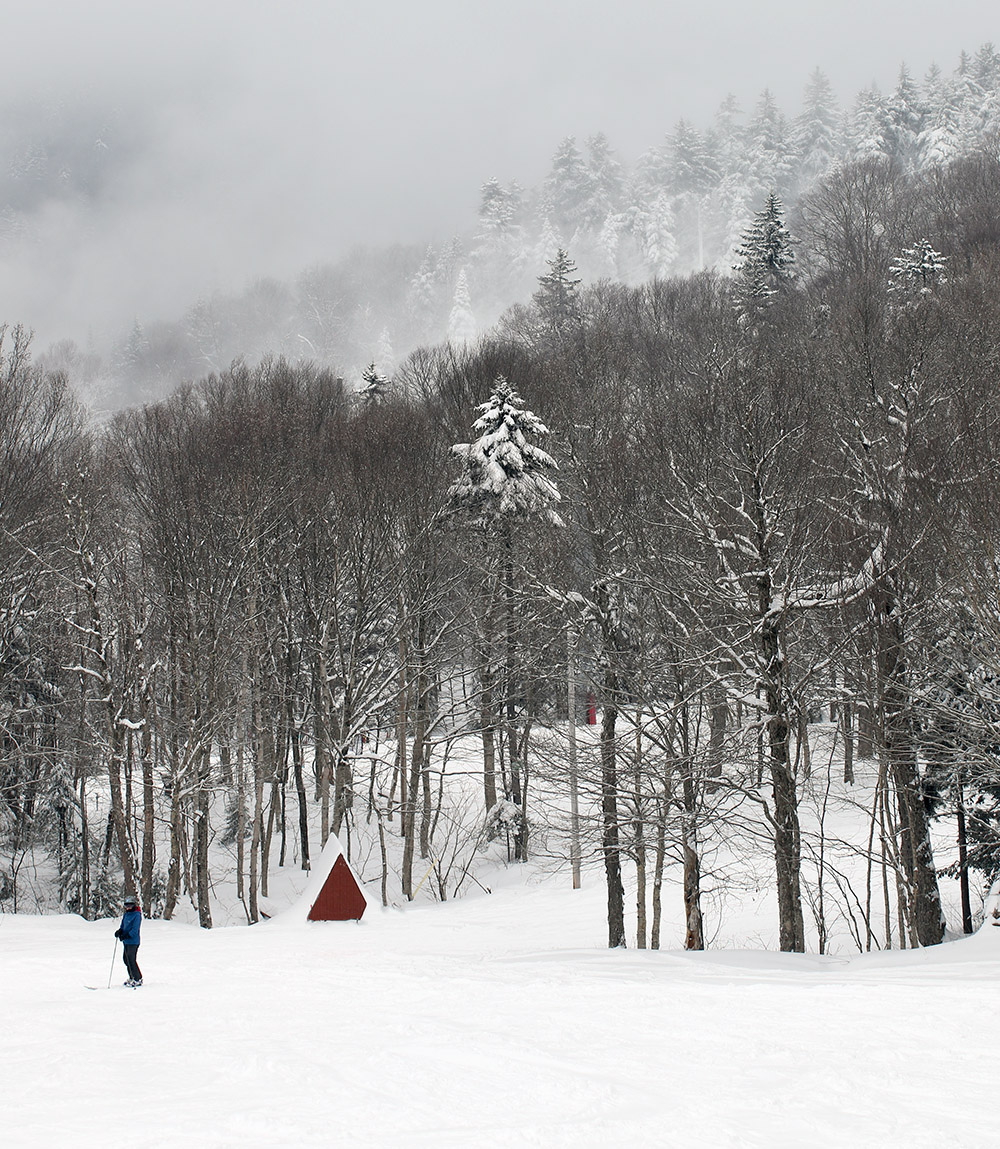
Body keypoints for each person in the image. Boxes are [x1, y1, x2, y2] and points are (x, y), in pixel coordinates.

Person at [115, 894, 143, 987]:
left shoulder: (137, 915)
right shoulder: (126, 914)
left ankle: (138, 978)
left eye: (130, 905)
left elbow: (135, 930)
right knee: (126, 960)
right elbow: (123, 926)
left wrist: (126, 935)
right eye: (126, 905)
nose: (128, 907)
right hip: (126, 942)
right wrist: (120, 931)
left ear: (134, 905)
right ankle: (132, 977)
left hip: (133, 941)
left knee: (131, 959)